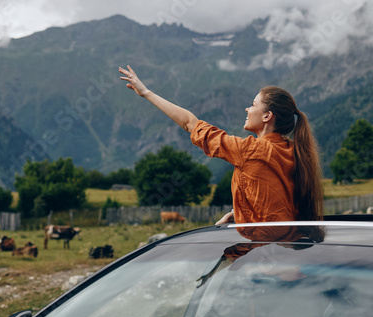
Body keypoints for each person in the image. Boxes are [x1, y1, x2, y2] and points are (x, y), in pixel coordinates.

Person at [119, 65, 323, 226]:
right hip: (288, 246)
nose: (247, 108)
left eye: (252, 104)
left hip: (265, 253)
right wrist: (241, 215)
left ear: (267, 116)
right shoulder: (293, 151)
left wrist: (146, 92)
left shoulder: (249, 150)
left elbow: (190, 123)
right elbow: (274, 201)